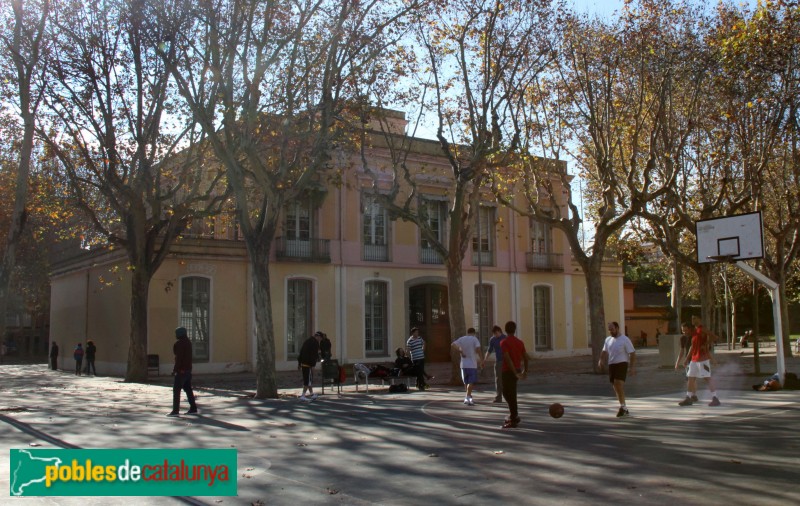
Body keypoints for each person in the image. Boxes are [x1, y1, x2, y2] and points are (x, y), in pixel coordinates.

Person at [679, 315, 721, 407]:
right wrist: (686, 359)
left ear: (700, 319)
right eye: (692, 318)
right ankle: (688, 398)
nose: (693, 320)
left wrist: (706, 344)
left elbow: (714, 337)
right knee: (690, 377)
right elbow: (692, 347)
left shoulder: (702, 329)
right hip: (694, 359)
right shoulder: (694, 331)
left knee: (707, 378)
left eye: (695, 318)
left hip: (703, 359)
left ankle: (715, 398)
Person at [598, 321, 636, 417]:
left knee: (618, 383)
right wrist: (600, 360)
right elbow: (604, 351)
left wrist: (632, 367)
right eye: (609, 330)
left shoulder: (625, 339)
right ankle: (624, 407)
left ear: (617, 328)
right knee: (616, 386)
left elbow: (632, 353)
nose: (611, 331)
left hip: (622, 363)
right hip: (612, 364)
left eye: (612, 329)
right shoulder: (608, 340)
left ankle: (622, 407)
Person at [499, 321, 529, 428]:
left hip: (508, 371)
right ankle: (514, 415)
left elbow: (507, 359)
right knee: (510, 393)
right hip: (516, 369)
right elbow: (526, 357)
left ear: (505, 330)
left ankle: (513, 417)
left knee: (508, 393)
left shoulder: (504, 342)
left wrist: (515, 373)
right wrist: (525, 371)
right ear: (514, 330)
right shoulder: (519, 342)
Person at [168, 327, 198, 416]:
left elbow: (179, 359)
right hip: (188, 370)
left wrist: (175, 370)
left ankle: (175, 410)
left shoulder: (180, 344)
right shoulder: (188, 343)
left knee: (176, 390)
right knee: (188, 389)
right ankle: (193, 408)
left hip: (181, 371)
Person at [451, 328, 482, 406]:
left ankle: (468, 397)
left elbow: (453, 344)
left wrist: (460, 350)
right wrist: (481, 360)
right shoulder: (475, 339)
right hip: (472, 364)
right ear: (474, 333)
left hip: (463, 364)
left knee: (466, 381)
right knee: (471, 382)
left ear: (467, 332)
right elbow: (478, 349)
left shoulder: (462, 339)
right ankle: (467, 396)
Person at [483, 325, 506, 403]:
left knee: (506, 379)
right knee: (498, 379)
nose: (495, 335)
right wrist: (485, 359)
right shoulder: (492, 339)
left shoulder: (505, 338)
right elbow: (489, 350)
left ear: (500, 331)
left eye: (496, 333)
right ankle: (498, 397)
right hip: (498, 361)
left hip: (507, 361)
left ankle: (508, 396)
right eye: (494, 334)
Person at [298, 331, 323, 401]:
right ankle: (303, 395)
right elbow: (313, 355)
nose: (320, 340)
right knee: (307, 380)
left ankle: (312, 394)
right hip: (308, 364)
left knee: (309, 380)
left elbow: (301, 352)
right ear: (318, 337)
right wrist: (313, 365)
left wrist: (299, 363)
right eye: (320, 338)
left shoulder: (307, 341)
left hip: (303, 363)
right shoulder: (315, 343)